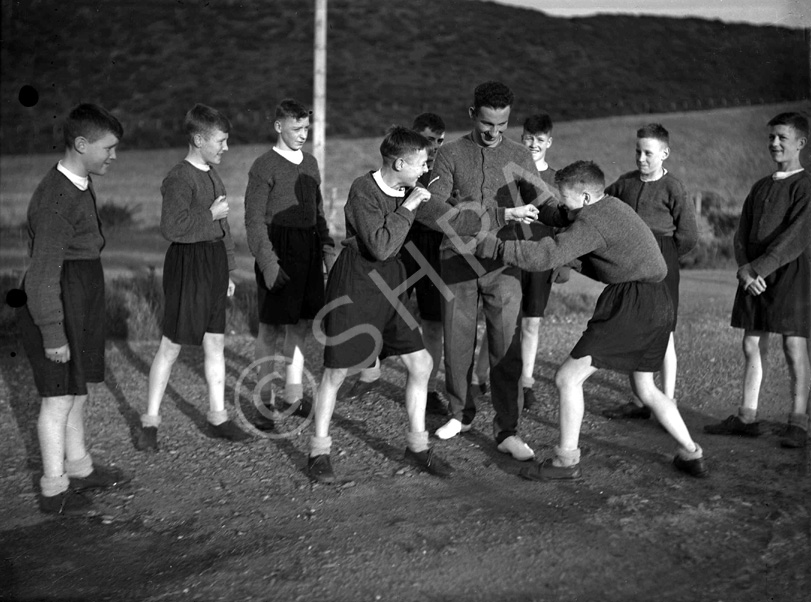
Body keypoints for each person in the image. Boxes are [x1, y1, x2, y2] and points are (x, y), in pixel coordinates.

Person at [474, 160, 708, 479]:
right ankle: (692, 453)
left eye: (566, 197)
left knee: (567, 378)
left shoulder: (592, 221)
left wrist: (494, 246)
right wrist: (530, 187)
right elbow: (571, 226)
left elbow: (545, 254)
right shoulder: (612, 206)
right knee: (646, 388)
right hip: (658, 300)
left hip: (633, 304)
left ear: (585, 197)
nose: (562, 204)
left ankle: (565, 461)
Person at [418, 81, 566, 461]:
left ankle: (507, 430)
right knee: (458, 342)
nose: (494, 133)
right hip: (457, 263)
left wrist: (565, 215)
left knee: (506, 347)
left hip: (504, 265)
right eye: (487, 124)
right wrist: (498, 215)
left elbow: (543, 201)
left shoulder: (519, 154)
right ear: (472, 115)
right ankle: (460, 414)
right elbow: (433, 211)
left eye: (502, 125)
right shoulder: (449, 155)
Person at [308, 126, 454, 483]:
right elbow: (381, 245)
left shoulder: (410, 191)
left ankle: (417, 446)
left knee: (420, 363)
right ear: (400, 162)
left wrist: (501, 218)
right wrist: (408, 206)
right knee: (337, 372)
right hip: (356, 280)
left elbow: (452, 218)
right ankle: (318, 451)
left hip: (391, 282)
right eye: (421, 163)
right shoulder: (364, 190)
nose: (424, 171)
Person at [18, 103, 130, 515]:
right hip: (59, 297)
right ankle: (53, 490)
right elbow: (41, 275)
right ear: (81, 145)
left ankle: (80, 468)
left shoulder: (80, 180)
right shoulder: (55, 199)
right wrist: (52, 332)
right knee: (58, 398)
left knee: (78, 391)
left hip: (81, 291)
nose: (114, 157)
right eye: (109, 149)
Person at [136, 104, 249, 451]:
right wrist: (209, 213)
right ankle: (149, 424)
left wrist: (228, 270)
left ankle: (218, 417)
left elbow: (223, 228)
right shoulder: (179, 177)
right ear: (199, 139)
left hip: (213, 262)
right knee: (172, 345)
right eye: (221, 141)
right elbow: (172, 228)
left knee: (215, 342)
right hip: (188, 263)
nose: (226, 148)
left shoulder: (213, 174)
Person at [704, 112, 811, 449]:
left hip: (789, 271)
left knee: (793, 346)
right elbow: (741, 235)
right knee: (752, 344)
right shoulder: (761, 186)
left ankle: (798, 421)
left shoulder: (805, 185)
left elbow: (795, 238)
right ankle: (747, 416)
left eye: (782, 137)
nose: (774, 143)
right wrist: (744, 269)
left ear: (800, 143)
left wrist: (758, 270)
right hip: (752, 274)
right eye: (771, 138)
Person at [344, 113, 449, 418]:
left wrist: (498, 216)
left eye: (439, 141)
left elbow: (451, 211)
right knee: (377, 313)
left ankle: (427, 390)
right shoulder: (386, 178)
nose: (433, 148)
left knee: (433, 321)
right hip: (398, 249)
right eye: (427, 141)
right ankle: (369, 372)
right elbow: (379, 236)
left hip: (431, 251)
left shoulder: (442, 168)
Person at [244, 98, 336, 428]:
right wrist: (268, 263)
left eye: (306, 129)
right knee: (270, 327)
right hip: (276, 248)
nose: (302, 134)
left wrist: (327, 250)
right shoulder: (263, 166)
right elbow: (253, 221)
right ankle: (264, 401)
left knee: (299, 325)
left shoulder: (310, 162)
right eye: (296, 129)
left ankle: (293, 395)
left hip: (308, 248)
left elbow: (319, 212)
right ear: (279, 126)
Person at [471, 113, 569, 412]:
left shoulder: (556, 179)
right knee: (499, 319)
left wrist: (563, 262)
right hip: (509, 253)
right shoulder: (509, 173)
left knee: (531, 324)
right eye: (529, 138)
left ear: (549, 142)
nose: (533, 144)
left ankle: (525, 383)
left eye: (540, 140)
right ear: (521, 136)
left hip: (541, 259)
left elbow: (566, 222)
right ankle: (479, 378)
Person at [601, 123, 698, 420]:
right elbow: (603, 205)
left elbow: (689, 235)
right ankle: (640, 401)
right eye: (637, 152)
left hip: (663, 259)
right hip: (630, 260)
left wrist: (663, 254)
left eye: (648, 153)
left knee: (663, 329)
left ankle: (666, 402)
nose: (641, 158)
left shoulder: (674, 188)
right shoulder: (624, 183)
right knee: (634, 326)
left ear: (664, 153)